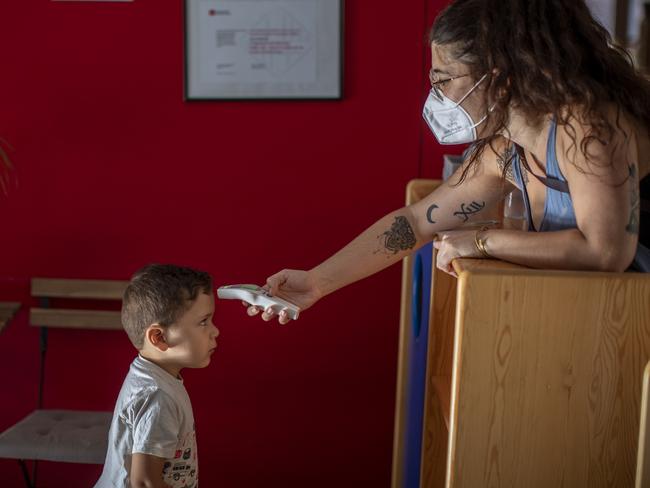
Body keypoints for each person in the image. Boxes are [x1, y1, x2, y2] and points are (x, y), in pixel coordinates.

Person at [245, 0, 650, 325]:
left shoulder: (590, 127)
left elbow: (604, 252)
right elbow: (416, 222)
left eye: (443, 79)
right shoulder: (505, 150)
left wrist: (479, 242)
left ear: (499, 78)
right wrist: (316, 282)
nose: (436, 95)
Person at [95, 264, 219, 488]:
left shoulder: (153, 375)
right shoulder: (158, 396)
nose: (215, 331)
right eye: (203, 322)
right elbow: (143, 481)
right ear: (159, 338)